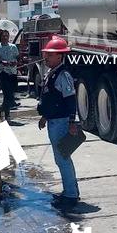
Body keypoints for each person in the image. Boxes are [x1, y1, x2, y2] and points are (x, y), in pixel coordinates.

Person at [37, 36, 80, 210]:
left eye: (50, 54)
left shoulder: (63, 75)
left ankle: (70, 195)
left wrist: (71, 121)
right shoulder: (53, 72)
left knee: (63, 158)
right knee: (61, 158)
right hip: (54, 121)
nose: (46, 57)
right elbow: (51, 100)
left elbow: (70, 100)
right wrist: (45, 116)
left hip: (61, 123)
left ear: (59, 57)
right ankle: (70, 191)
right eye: (46, 53)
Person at [0, 30, 19, 122]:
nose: (5, 37)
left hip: (12, 72)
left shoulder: (13, 47)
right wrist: (2, 62)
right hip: (2, 72)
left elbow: (18, 58)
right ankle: (7, 114)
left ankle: (2, 108)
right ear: (0, 37)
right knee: (6, 93)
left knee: (10, 94)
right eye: (3, 35)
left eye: (7, 35)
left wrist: (15, 62)